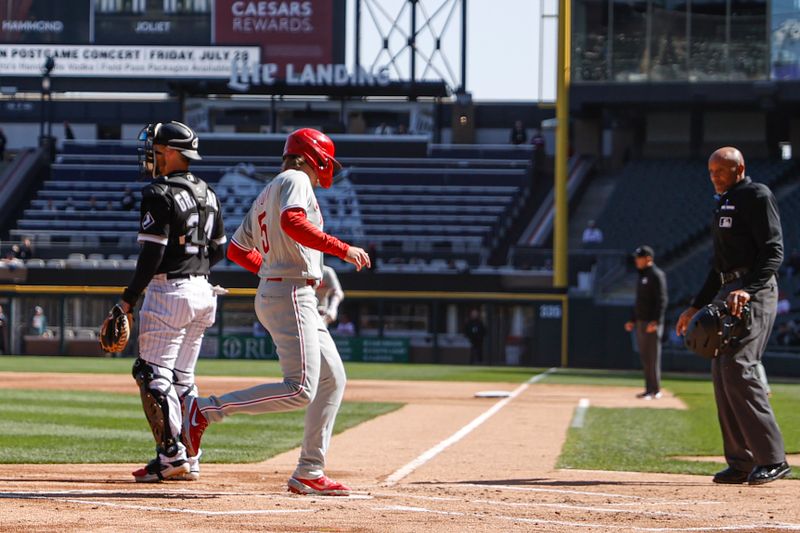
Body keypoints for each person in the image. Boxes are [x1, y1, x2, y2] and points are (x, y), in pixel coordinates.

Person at [183, 128, 371, 497]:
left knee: (333, 379)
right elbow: (292, 222)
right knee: (301, 389)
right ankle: (204, 411)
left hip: (286, 288)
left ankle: (309, 471)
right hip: (289, 292)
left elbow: (237, 250)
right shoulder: (296, 178)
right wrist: (342, 249)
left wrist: (270, 270)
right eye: (324, 162)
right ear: (312, 156)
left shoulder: (270, 188)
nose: (324, 171)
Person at [676, 146, 790, 485]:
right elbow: (718, 267)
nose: (714, 176)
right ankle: (741, 461)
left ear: (739, 168)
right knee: (721, 369)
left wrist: (749, 288)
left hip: (752, 291)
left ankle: (773, 459)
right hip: (728, 289)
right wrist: (696, 304)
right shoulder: (723, 202)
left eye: (721, 170)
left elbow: (774, 249)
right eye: (711, 171)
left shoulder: (756, 194)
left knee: (739, 366)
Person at [119, 120, 226, 483]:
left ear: (172, 152)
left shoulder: (159, 191)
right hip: (204, 291)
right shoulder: (208, 192)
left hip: (170, 292)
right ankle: (188, 454)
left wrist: (127, 301)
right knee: (182, 378)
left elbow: (151, 255)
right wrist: (195, 270)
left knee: (152, 375)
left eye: (158, 148)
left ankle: (171, 456)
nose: (152, 154)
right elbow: (220, 249)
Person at [624, 245, 667, 400]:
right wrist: (632, 319)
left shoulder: (656, 274)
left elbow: (662, 300)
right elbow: (639, 301)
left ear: (648, 258)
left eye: (639, 257)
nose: (636, 260)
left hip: (651, 323)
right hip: (641, 321)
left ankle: (655, 390)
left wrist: (656, 321)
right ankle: (648, 388)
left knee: (652, 357)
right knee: (645, 357)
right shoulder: (642, 275)